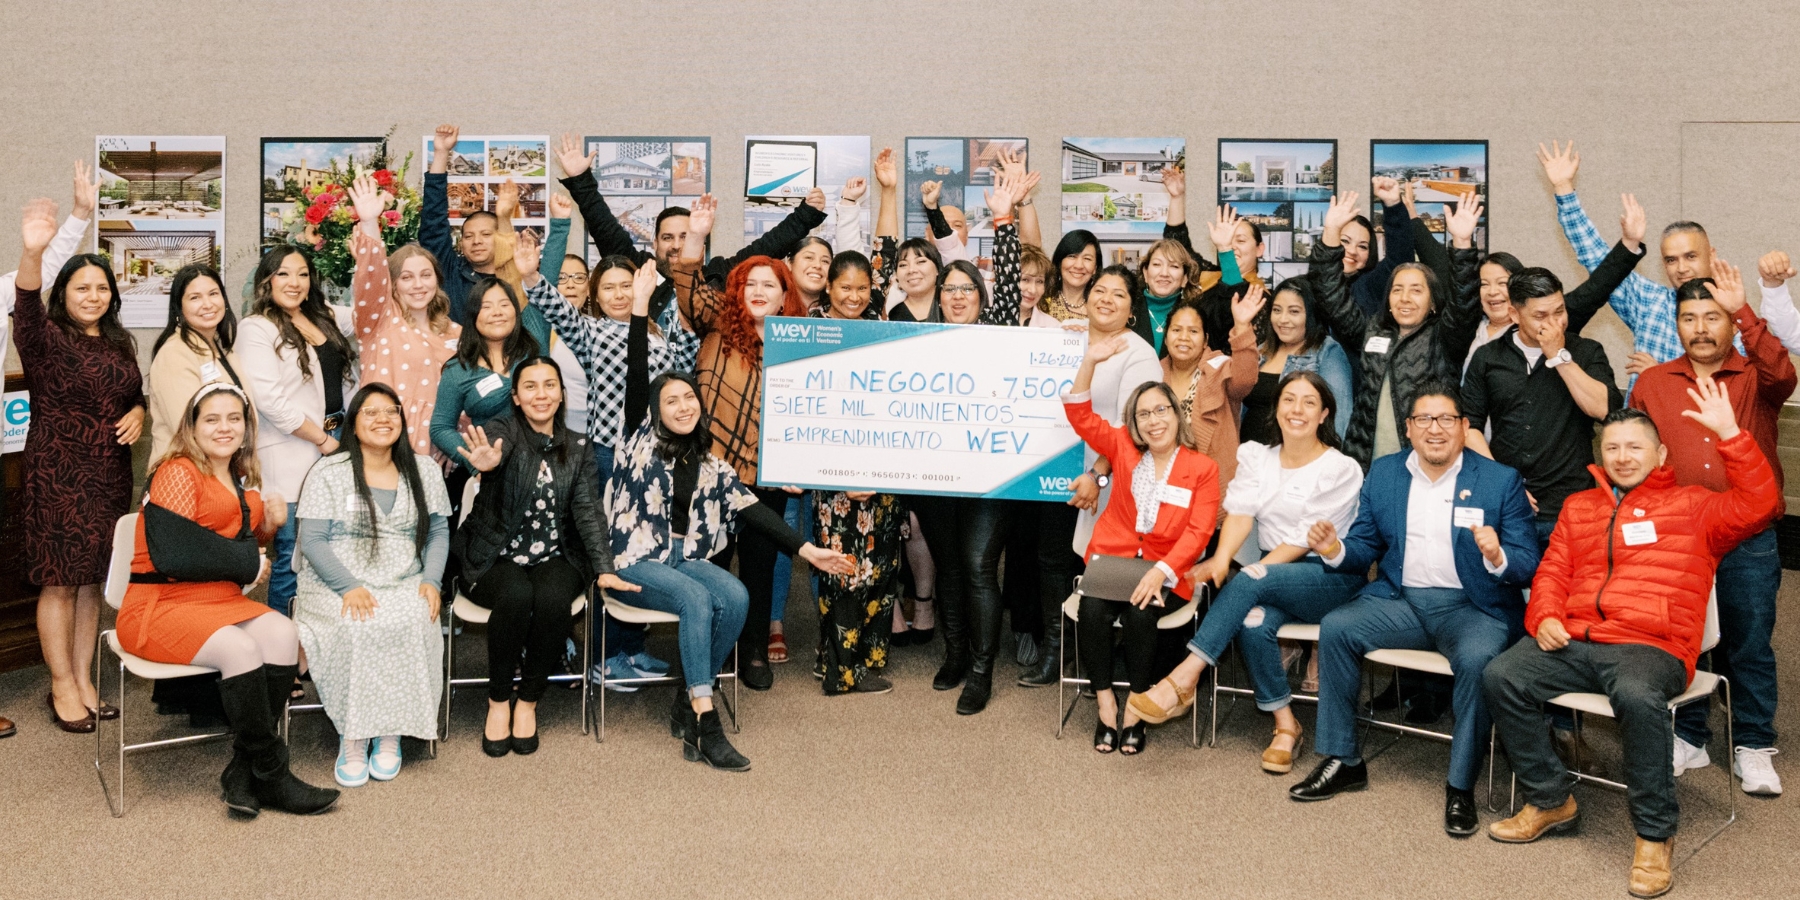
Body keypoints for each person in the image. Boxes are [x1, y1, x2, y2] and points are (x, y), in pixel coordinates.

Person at [1484, 392, 1779, 899]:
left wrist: (1732, 435)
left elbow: (1760, 503)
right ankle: (1550, 798)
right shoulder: (1580, 507)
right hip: (1577, 639)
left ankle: (1653, 834)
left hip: (1653, 645)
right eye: (1612, 447)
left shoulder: (1695, 507)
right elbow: (1553, 571)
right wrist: (1546, 615)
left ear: (1661, 454)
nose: (1622, 456)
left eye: (1634, 447)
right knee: (1501, 675)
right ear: (1601, 455)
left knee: (1639, 699)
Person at [609, 262, 853, 770]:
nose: (682, 406)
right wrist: (638, 309)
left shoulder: (713, 464)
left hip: (683, 556)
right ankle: (704, 718)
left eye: (688, 399)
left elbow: (753, 509)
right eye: (670, 400)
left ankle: (685, 698)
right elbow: (638, 374)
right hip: (637, 560)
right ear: (655, 410)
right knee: (699, 599)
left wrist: (810, 551)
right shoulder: (638, 440)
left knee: (737, 596)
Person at [1288, 380, 1539, 838]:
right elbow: (1366, 544)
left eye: (1447, 419)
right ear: (1408, 428)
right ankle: (1344, 759)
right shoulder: (1385, 473)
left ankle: (1460, 786)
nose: (1436, 429)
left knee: (1479, 661)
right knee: (1337, 627)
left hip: (1472, 608)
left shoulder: (1499, 480)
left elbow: (1528, 562)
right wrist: (1335, 549)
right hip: (1402, 601)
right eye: (1424, 419)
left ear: (1464, 427)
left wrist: (1498, 556)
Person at [116, 382, 339, 816]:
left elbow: (235, 540)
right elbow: (176, 553)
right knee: (240, 647)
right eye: (212, 419)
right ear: (192, 427)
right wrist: (247, 562)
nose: (225, 428)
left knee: (282, 632)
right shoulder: (177, 470)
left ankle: (242, 769)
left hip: (217, 600)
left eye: (234, 418)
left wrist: (268, 527)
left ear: (247, 426)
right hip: (160, 603)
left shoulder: (239, 477)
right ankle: (272, 772)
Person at [1129, 372, 1363, 771]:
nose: (1297, 410)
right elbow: (1239, 513)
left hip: (1327, 575)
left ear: (1325, 413)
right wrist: (1221, 560)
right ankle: (1287, 727)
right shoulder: (1258, 456)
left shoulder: (1340, 468)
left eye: (1309, 402)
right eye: (1289, 399)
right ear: (1276, 408)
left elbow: (1307, 539)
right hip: (1271, 576)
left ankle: (1184, 677)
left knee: (1248, 583)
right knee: (1252, 622)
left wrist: (1252, 571)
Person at [1628, 262, 1793, 796]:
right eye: (1689, 318)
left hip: (1748, 538)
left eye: (1712, 317)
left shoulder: (1755, 378)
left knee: (1748, 643)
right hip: (1680, 542)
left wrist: (1747, 307)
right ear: (1676, 325)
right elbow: (1637, 458)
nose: (1700, 328)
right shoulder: (1653, 382)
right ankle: (1692, 736)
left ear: (1728, 323)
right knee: (1685, 642)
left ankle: (1753, 744)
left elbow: (1784, 371)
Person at [527, 252, 693, 685]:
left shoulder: (661, 334)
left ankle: (633, 649)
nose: (620, 294)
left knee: (644, 554)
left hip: (657, 460)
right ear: (596, 295)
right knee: (610, 557)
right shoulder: (590, 331)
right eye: (610, 287)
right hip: (608, 457)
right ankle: (604, 657)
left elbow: (688, 358)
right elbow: (552, 306)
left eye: (627, 286)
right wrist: (529, 274)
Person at [669, 194, 813, 691]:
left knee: (757, 568)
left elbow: (812, 413)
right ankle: (704, 649)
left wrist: (800, 465)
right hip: (706, 472)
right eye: (749, 284)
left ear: (783, 295)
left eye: (767, 285)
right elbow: (689, 291)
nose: (756, 291)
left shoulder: (800, 344)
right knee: (707, 565)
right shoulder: (717, 322)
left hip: (762, 477)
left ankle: (751, 650)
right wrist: (696, 237)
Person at [11, 198, 142, 733]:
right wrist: (32, 251)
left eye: (101, 287)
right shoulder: (44, 337)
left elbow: (133, 393)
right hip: (56, 474)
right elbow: (23, 302)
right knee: (60, 583)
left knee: (92, 582)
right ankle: (60, 684)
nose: (93, 295)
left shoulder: (119, 341)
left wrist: (139, 408)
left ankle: (85, 678)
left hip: (109, 474)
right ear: (63, 293)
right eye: (81, 287)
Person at [1062, 337, 1221, 754]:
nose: (1153, 421)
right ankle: (1105, 703)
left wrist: (1161, 571)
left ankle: (1137, 704)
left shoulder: (1201, 468)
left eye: (1161, 410)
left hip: (1166, 571)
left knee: (1139, 612)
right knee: (1093, 609)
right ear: (1134, 423)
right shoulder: (1122, 448)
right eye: (1143, 414)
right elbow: (1079, 415)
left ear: (1176, 414)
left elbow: (1199, 531)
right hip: (1113, 560)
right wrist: (1090, 361)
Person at [904, 176, 1027, 713]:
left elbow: (1006, 280)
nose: (957, 297)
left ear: (982, 298)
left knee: (978, 565)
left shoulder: (999, 327)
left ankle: (981, 668)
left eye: (967, 289)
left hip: (990, 475)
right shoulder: (918, 336)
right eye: (949, 289)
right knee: (950, 566)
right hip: (934, 473)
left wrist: (1004, 221)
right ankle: (954, 654)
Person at [452, 356, 614, 756]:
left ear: (561, 394)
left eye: (549, 386)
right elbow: (493, 450)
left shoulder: (578, 447)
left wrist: (604, 568)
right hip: (493, 553)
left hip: (556, 554)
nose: (540, 394)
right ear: (517, 397)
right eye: (530, 387)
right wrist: (487, 463)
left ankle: (528, 701)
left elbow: (588, 512)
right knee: (516, 596)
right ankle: (498, 701)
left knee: (553, 599)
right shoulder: (501, 431)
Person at [293, 383, 451, 788]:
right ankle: (353, 736)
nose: (383, 419)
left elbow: (437, 533)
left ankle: (389, 733)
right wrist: (347, 586)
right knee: (357, 625)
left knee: (415, 617)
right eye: (371, 412)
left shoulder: (425, 470)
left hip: (403, 578)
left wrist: (432, 581)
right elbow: (312, 541)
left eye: (391, 412)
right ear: (353, 423)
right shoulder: (329, 472)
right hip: (334, 583)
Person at [1017, 262, 1163, 690]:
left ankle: (1097, 657)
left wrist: (1098, 475)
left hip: (1106, 481)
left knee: (1090, 567)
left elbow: (1133, 428)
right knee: (1050, 559)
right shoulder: (1069, 338)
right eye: (1101, 289)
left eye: (1119, 294)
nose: (1106, 299)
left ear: (1131, 308)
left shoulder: (1139, 354)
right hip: (1053, 468)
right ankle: (1056, 653)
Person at [554, 131, 826, 327]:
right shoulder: (639, 271)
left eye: (685, 236)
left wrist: (806, 214)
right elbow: (604, 227)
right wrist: (580, 179)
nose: (676, 245)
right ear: (654, 245)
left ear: (701, 240)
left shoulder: (718, 275)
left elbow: (769, 246)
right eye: (667, 237)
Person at [1310, 190, 1483, 469]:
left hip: (1427, 464)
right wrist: (1331, 232)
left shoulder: (1446, 336)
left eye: (1416, 290)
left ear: (1433, 303)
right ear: (1387, 300)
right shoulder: (1371, 332)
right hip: (1366, 463)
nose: (1405, 298)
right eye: (1397, 290)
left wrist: (1462, 243)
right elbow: (1330, 293)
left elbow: (1465, 302)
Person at [238, 244, 356, 627]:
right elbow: (270, 399)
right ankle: (282, 659)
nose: (294, 282)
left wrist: (364, 250)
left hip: (336, 446)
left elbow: (374, 310)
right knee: (292, 554)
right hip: (292, 451)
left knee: (326, 550)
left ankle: (312, 644)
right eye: (284, 273)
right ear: (266, 280)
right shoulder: (256, 327)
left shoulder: (324, 317)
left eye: (303, 273)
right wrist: (321, 439)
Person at [1540, 140, 1724, 385]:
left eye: (1691, 257)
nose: (1681, 268)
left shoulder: (1733, 312)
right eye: (1671, 260)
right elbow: (1597, 259)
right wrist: (1564, 187)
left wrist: (1662, 376)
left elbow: (1738, 388)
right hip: (1641, 422)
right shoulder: (1649, 302)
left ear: (1711, 255)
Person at [1463, 268, 1624, 543]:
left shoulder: (1587, 351)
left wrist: (1559, 357)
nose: (1554, 323)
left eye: (1559, 312)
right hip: (1509, 503)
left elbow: (1604, 409)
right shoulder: (1488, 357)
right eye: (1540, 316)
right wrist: (1503, 484)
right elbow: (1469, 426)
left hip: (1572, 504)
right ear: (1514, 314)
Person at [806, 250, 905, 694]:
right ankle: (841, 674)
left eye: (862, 288)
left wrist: (882, 473)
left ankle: (862, 660)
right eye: (844, 287)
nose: (854, 295)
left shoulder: (885, 330)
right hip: (834, 481)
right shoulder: (809, 333)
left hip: (883, 475)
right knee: (843, 572)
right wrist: (842, 474)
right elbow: (808, 412)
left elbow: (899, 408)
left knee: (881, 572)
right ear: (828, 287)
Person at [343, 173, 461, 457]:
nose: (418, 285)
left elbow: (464, 397)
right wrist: (370, 222)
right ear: (392, 285)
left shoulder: (457, 333)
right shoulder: (380, 320)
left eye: (425, 275)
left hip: (437, 452)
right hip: (384, 446)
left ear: (437, 279)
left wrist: (453, 441)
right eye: (406, 277)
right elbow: (371, 274)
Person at [1161, 286, 1262, 489]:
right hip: (1164, 487)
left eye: (1193, 331)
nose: (1184, 337)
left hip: (1213, 488)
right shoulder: (1153, 373)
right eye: (1176, 330)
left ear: (1206, 339)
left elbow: (1245, 380)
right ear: (1166, 337)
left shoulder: (1219, 368)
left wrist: (1241, 326)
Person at [1239, 277, 1354, 444]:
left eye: (1294, 311)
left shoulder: (1327, 352)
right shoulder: (1261, 350)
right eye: (1277, 310)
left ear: (1311, 315)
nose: (1283, 319)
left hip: (1297, 462)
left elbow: (1339, 419)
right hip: (1251, 460)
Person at [150, 265, 244, 468]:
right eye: (195, 298)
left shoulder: (223, 348)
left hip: (223, 473)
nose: (208, 304)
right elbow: (188, 430)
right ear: (179, 307)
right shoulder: (174, 354)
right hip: (187, 479)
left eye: (213, 294)